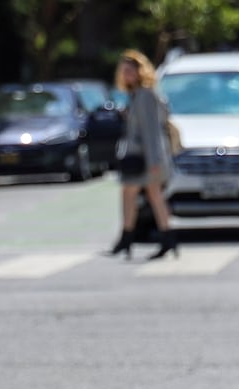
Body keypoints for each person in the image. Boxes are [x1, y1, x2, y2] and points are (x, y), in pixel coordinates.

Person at [106, 51, 177, 260]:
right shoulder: (136, 94)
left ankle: (129, 238)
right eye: (124, 70)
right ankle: (161, 238)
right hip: (142, 156)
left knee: (136, 194)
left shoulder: (145, 95)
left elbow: (152, 130)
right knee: (148, 195)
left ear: (140, 71)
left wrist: (154, 161)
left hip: (146, 157)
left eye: (130, 70)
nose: (126, 74)